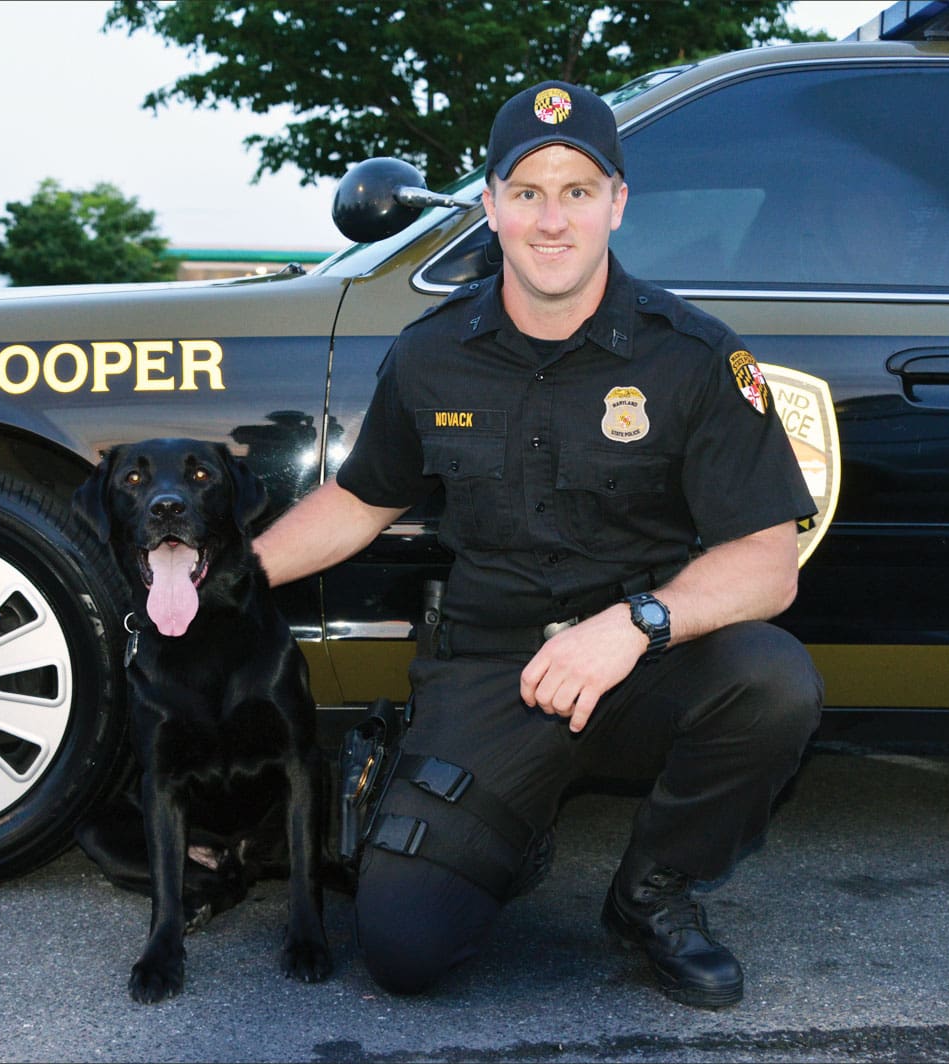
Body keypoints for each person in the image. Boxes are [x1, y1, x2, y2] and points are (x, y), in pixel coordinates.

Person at [254, 80, 822, 1009]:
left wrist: (634, 624)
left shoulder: (693, 358)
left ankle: (655, 895)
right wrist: (234, 574)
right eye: (527, 192)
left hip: (643, 661)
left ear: (617, 204)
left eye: (577, 190)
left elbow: (766, 560)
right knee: (402, 950)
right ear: (490, 206)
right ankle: (503, 830)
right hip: (490, 673)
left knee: (772, 679)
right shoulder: (431, 352)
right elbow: (363, 498)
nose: (552, 220)